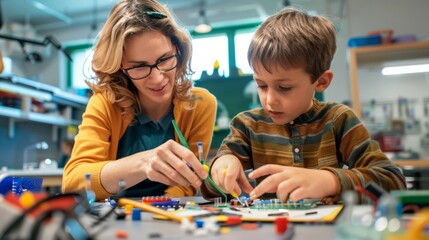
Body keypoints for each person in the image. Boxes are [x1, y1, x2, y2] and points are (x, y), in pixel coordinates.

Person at [201, 8, 406, 204]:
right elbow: (211, 190)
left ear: (321, 82)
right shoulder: (247, 125)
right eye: (261, 85)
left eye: (284, 87)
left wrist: (329, 181)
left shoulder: (338, 120)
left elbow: (394, 182)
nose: (269, 100)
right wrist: (222, 168)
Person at [62, 0, 217, 200]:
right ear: (120, 68)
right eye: (139, 67)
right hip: (113, 217)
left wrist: (162, 207)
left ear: (178, 50)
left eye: (164, 59)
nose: (158, 77)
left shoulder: (201, 105)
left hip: (168, 215)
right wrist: (143, 163)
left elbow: (189, 180)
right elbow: (73, 182)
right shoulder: (105, 103)